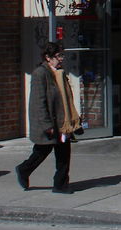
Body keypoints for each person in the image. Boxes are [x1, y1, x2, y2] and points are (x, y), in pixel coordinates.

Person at [15, 42, 80, 194]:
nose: (61, 59)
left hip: (62, 123)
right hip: (50, 123)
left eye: (62, 55)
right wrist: (47, 125)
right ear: (48, 58)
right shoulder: (40, 73)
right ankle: (24, 169)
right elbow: (38, 102)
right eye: (58, 56)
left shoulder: (60, 73)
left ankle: (60, 185)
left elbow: (66, 99)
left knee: (64, 153)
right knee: (41, 151)